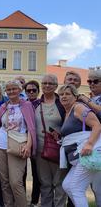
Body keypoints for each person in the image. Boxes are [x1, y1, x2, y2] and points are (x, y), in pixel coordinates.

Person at [0, 80, 36, 207]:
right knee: (4, 182)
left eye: (14, 89)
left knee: (15, 182)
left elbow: (31, 128)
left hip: (18, 144)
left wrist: (29, 145)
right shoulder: (3, 107)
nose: (11, 91)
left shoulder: (26, 105)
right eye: (8, 89)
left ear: (20, 90)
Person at [58, 84, 101, 207]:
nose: (64, 96)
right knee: (67, 185)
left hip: (88, 153)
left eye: (67, 94)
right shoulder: (67, 112)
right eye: (61, 94)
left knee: (76, 187)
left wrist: (89, 144)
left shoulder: (78, 107)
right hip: (79, 157)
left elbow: (97, 125)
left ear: (75, 96)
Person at [34, 74, 67, 207]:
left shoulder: (62, 104)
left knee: (59, 183)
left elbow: (70, 123)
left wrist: (61, 132)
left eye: (50, 83)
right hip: (40, 150)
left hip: (58, 149)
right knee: (45, 183)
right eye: (44, 83)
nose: (47, 85)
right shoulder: (35, 104)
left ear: (55, 86)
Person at [77, 70, 101, 204]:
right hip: (94, 142)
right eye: (89, 81)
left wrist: (87, 101)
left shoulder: (89, 100)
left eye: (95, 81)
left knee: (98, 186)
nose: (91, 84)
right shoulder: (91, 98)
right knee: (96, 186)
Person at [24, 80, 41, 207]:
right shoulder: (23, 104)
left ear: (38, 91)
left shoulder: (41, 104)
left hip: (38, 142)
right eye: (28, 90)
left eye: (33, 90)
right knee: (21, 172)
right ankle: (21, 199)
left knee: (36, 173)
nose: (31, 92)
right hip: (23, 141)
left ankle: (34, 201)